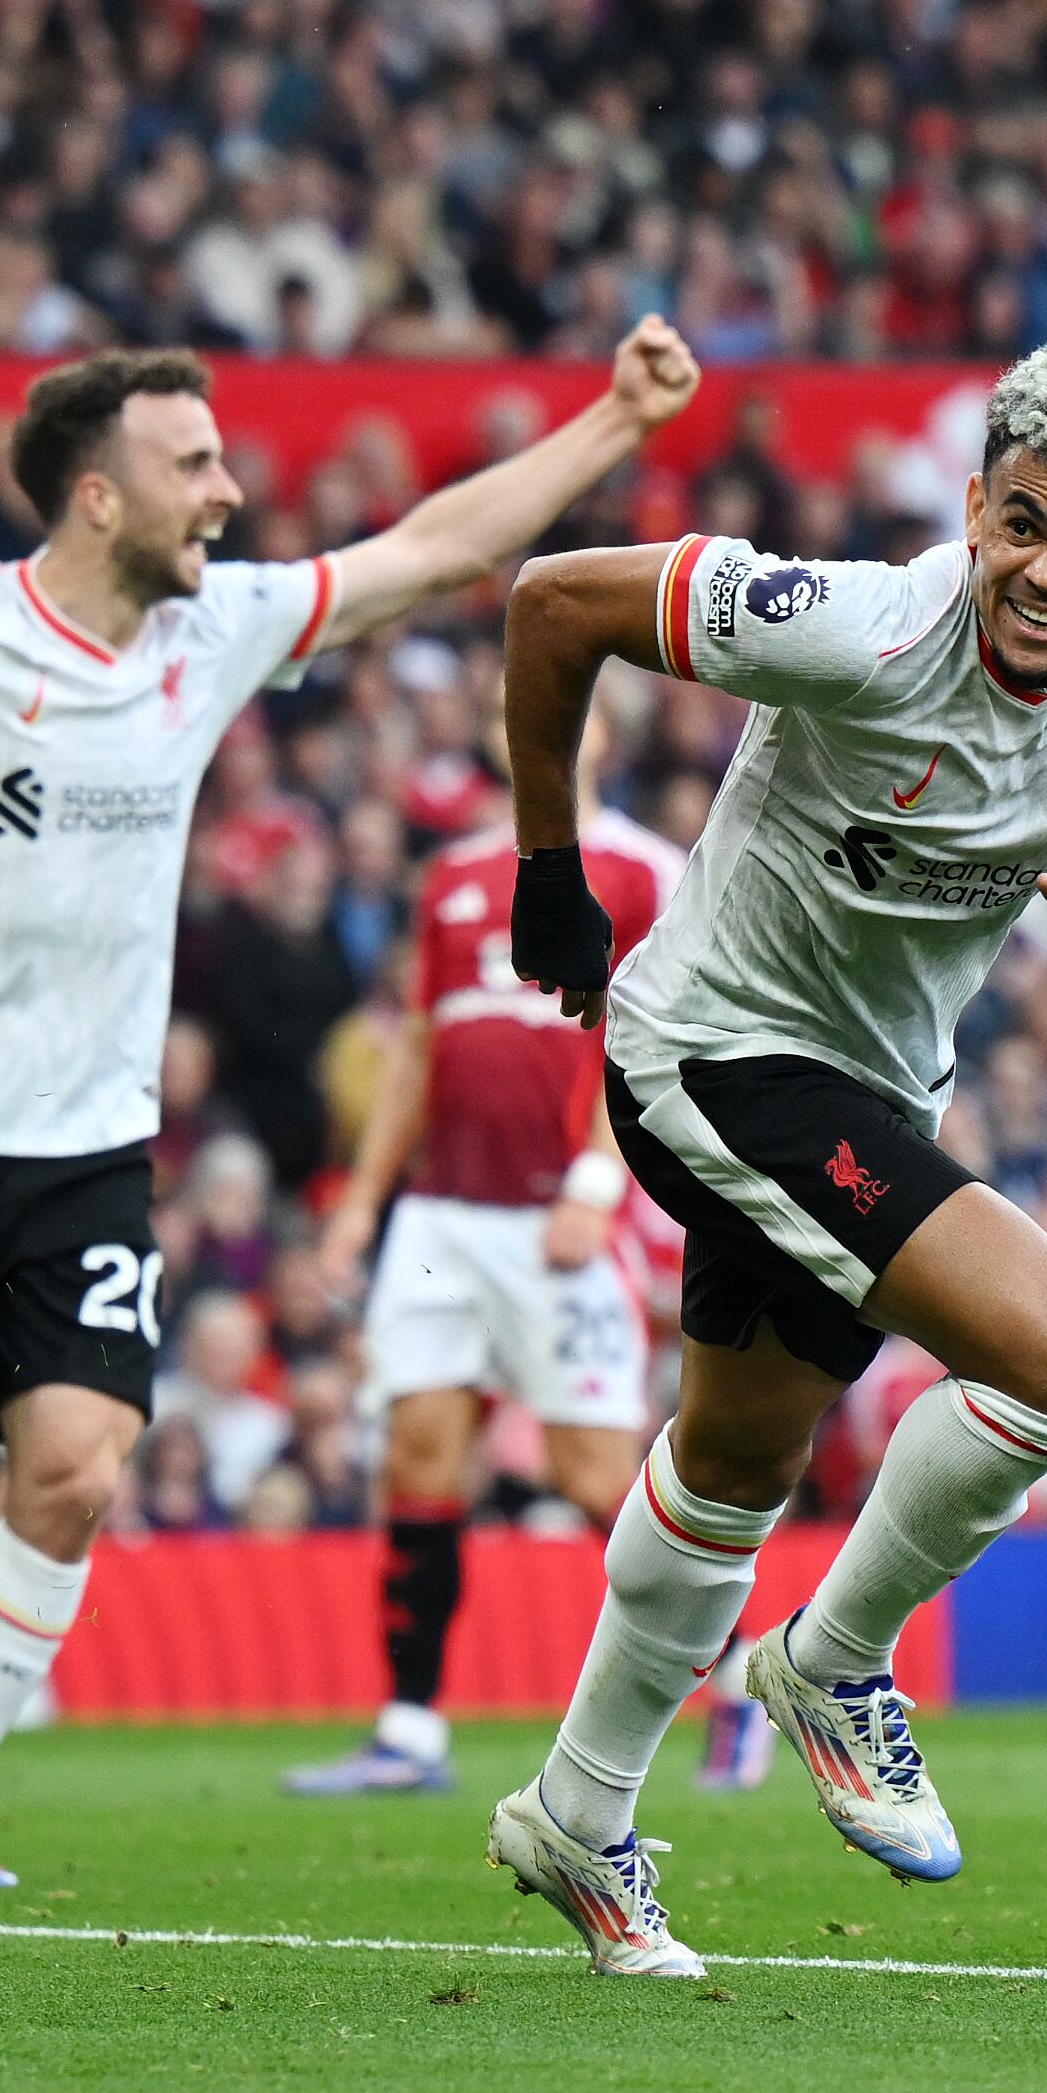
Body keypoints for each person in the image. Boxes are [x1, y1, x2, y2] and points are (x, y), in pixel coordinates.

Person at [0, 236, 701, 1887]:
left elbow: (435, 549)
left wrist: (611, 421)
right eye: (194, 463)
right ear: (97, 497)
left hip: (91, 1146)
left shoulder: (218, 630)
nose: (228, 492)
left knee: (80, 1471)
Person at [482, 341, 1047, 1975]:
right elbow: (556, 599)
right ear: (975, 506)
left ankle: (577, 1813)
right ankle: (839, 1657)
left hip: (876, 1085)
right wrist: (551, 873)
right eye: (1026, 524)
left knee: (731, 1467)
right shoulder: (863, 622)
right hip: (711, 1050)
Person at [286, 729, 694, 1798]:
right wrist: (362, 1205)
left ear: (604, 732)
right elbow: (422, 1043)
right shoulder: (455, 877)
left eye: (568, 711)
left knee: (595, 1476)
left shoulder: (644, 868)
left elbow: (657, 1032)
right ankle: (408, 1728)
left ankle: (739, 1680)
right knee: (418, 1457)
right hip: (439, 1222)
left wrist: (599, 1182)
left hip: (559, 1218)